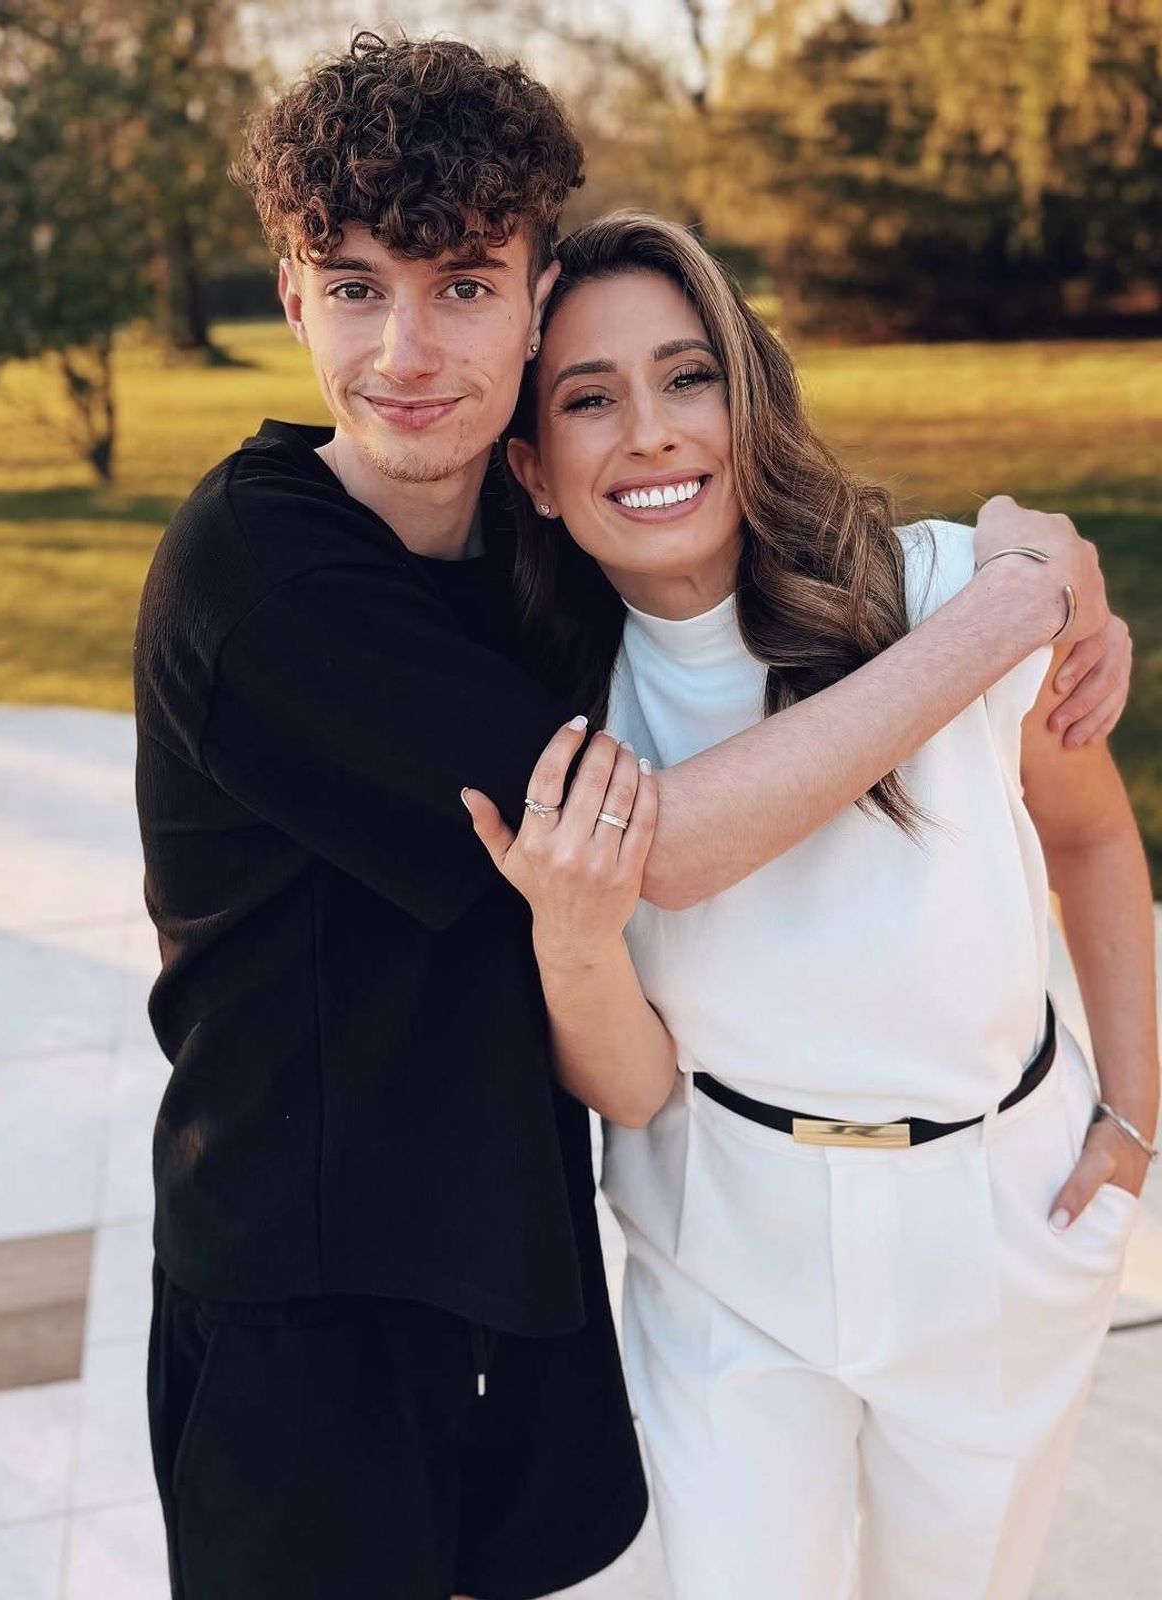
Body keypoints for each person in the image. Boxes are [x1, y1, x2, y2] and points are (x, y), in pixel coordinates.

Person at [134, 33, 1133, 1600]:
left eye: (463, 284)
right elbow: (654, 839)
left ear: (530, 304)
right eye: (351, 287)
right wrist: (1002, 616)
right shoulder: (264, 578)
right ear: (290, 299)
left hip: (515, 1261)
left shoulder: (530, 599)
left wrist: (1027, 560)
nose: (405, 347)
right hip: (309, 1300)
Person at [467, 211, 1159, 1599]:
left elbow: (1090, 840)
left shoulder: (953, 583)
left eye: (689, 376)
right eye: (590, 400)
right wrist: (573, 938)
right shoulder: (556, 724)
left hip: (994, 1225)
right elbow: (636, 1087)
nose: (651, 432)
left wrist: (1135, 1118)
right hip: (729, 1251)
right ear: (535, 474)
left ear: (749, 389)